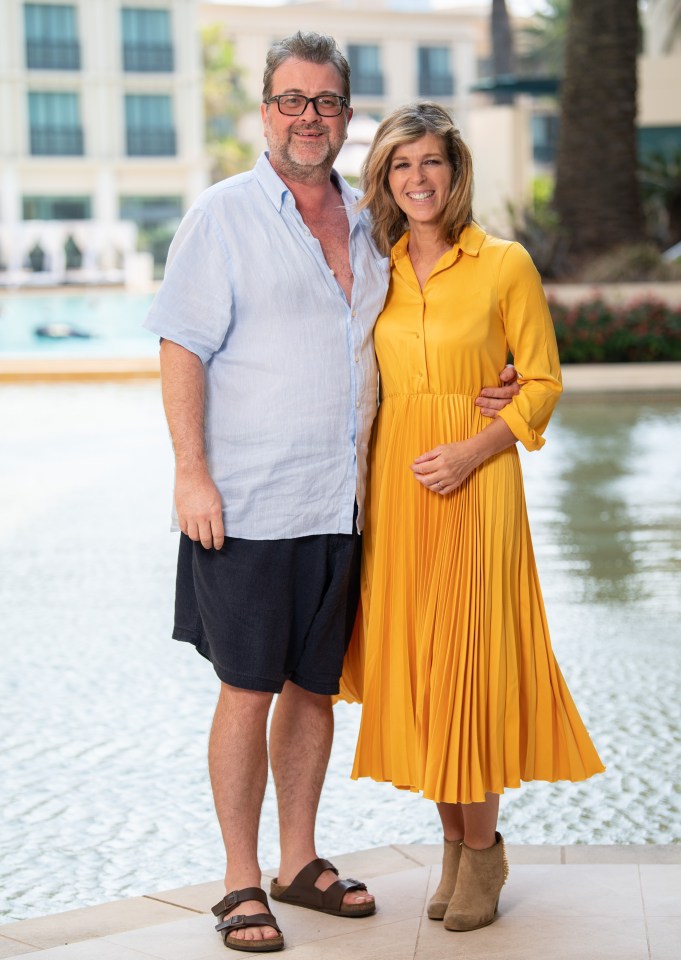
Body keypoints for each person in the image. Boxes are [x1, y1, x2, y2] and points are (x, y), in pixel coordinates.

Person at [145, 34, 518, 952]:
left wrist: (494, 381)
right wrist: (190, 471)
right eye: (290, 99)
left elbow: (428, 327)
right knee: (245, 690)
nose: (307, 116)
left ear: (345, 118)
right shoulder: (222, 216)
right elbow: (180, 346)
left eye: (324, 102)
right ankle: (240, 881)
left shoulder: (368, 220)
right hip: (246, 505)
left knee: (312, 691)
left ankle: (298, 862)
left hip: (346, 507)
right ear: (265, 112)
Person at [339, 102, 605, 934]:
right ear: (383, 178)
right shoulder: (374, 268)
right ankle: (454, 844)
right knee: (424, 668)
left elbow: (544, 383)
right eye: (400, 165)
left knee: (469, 667)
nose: (417, 179)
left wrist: (476, 444)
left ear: (455, 173)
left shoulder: (504, 265)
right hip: (396, 492)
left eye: (431, 163)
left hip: (475, 483)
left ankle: (482, 851)